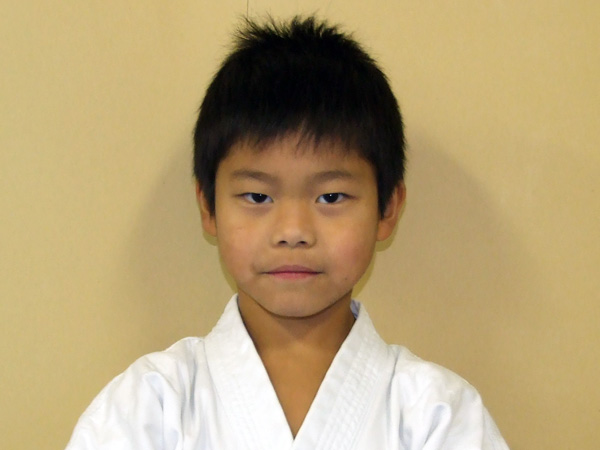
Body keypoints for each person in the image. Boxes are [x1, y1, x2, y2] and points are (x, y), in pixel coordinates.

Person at [66, 16, 509, 449]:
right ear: (208, 207)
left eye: (331, 197)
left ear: (388, 208)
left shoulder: (437, 416)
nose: (293, 232)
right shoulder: (149, 408)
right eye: (258, 197)